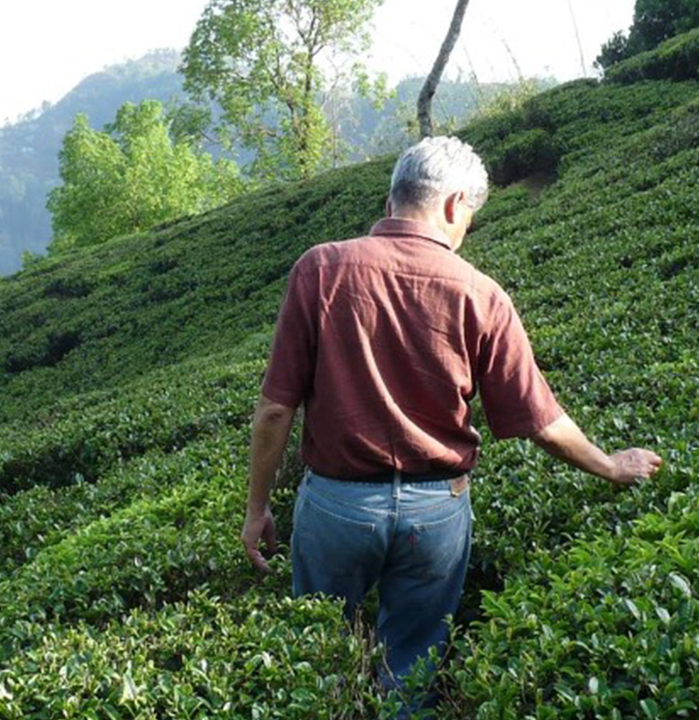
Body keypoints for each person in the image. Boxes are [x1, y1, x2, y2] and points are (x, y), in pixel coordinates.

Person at [241, 136, 661, 704]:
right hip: (436, 511)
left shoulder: (322, 269)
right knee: (410, 673)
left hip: (337, 506)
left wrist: (257, 507)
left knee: (319, 666)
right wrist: (611, 467)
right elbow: (541, 420)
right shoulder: (482, 294)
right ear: (451, 204)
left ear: (392, 200)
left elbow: (274, 409)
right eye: (470, 216)